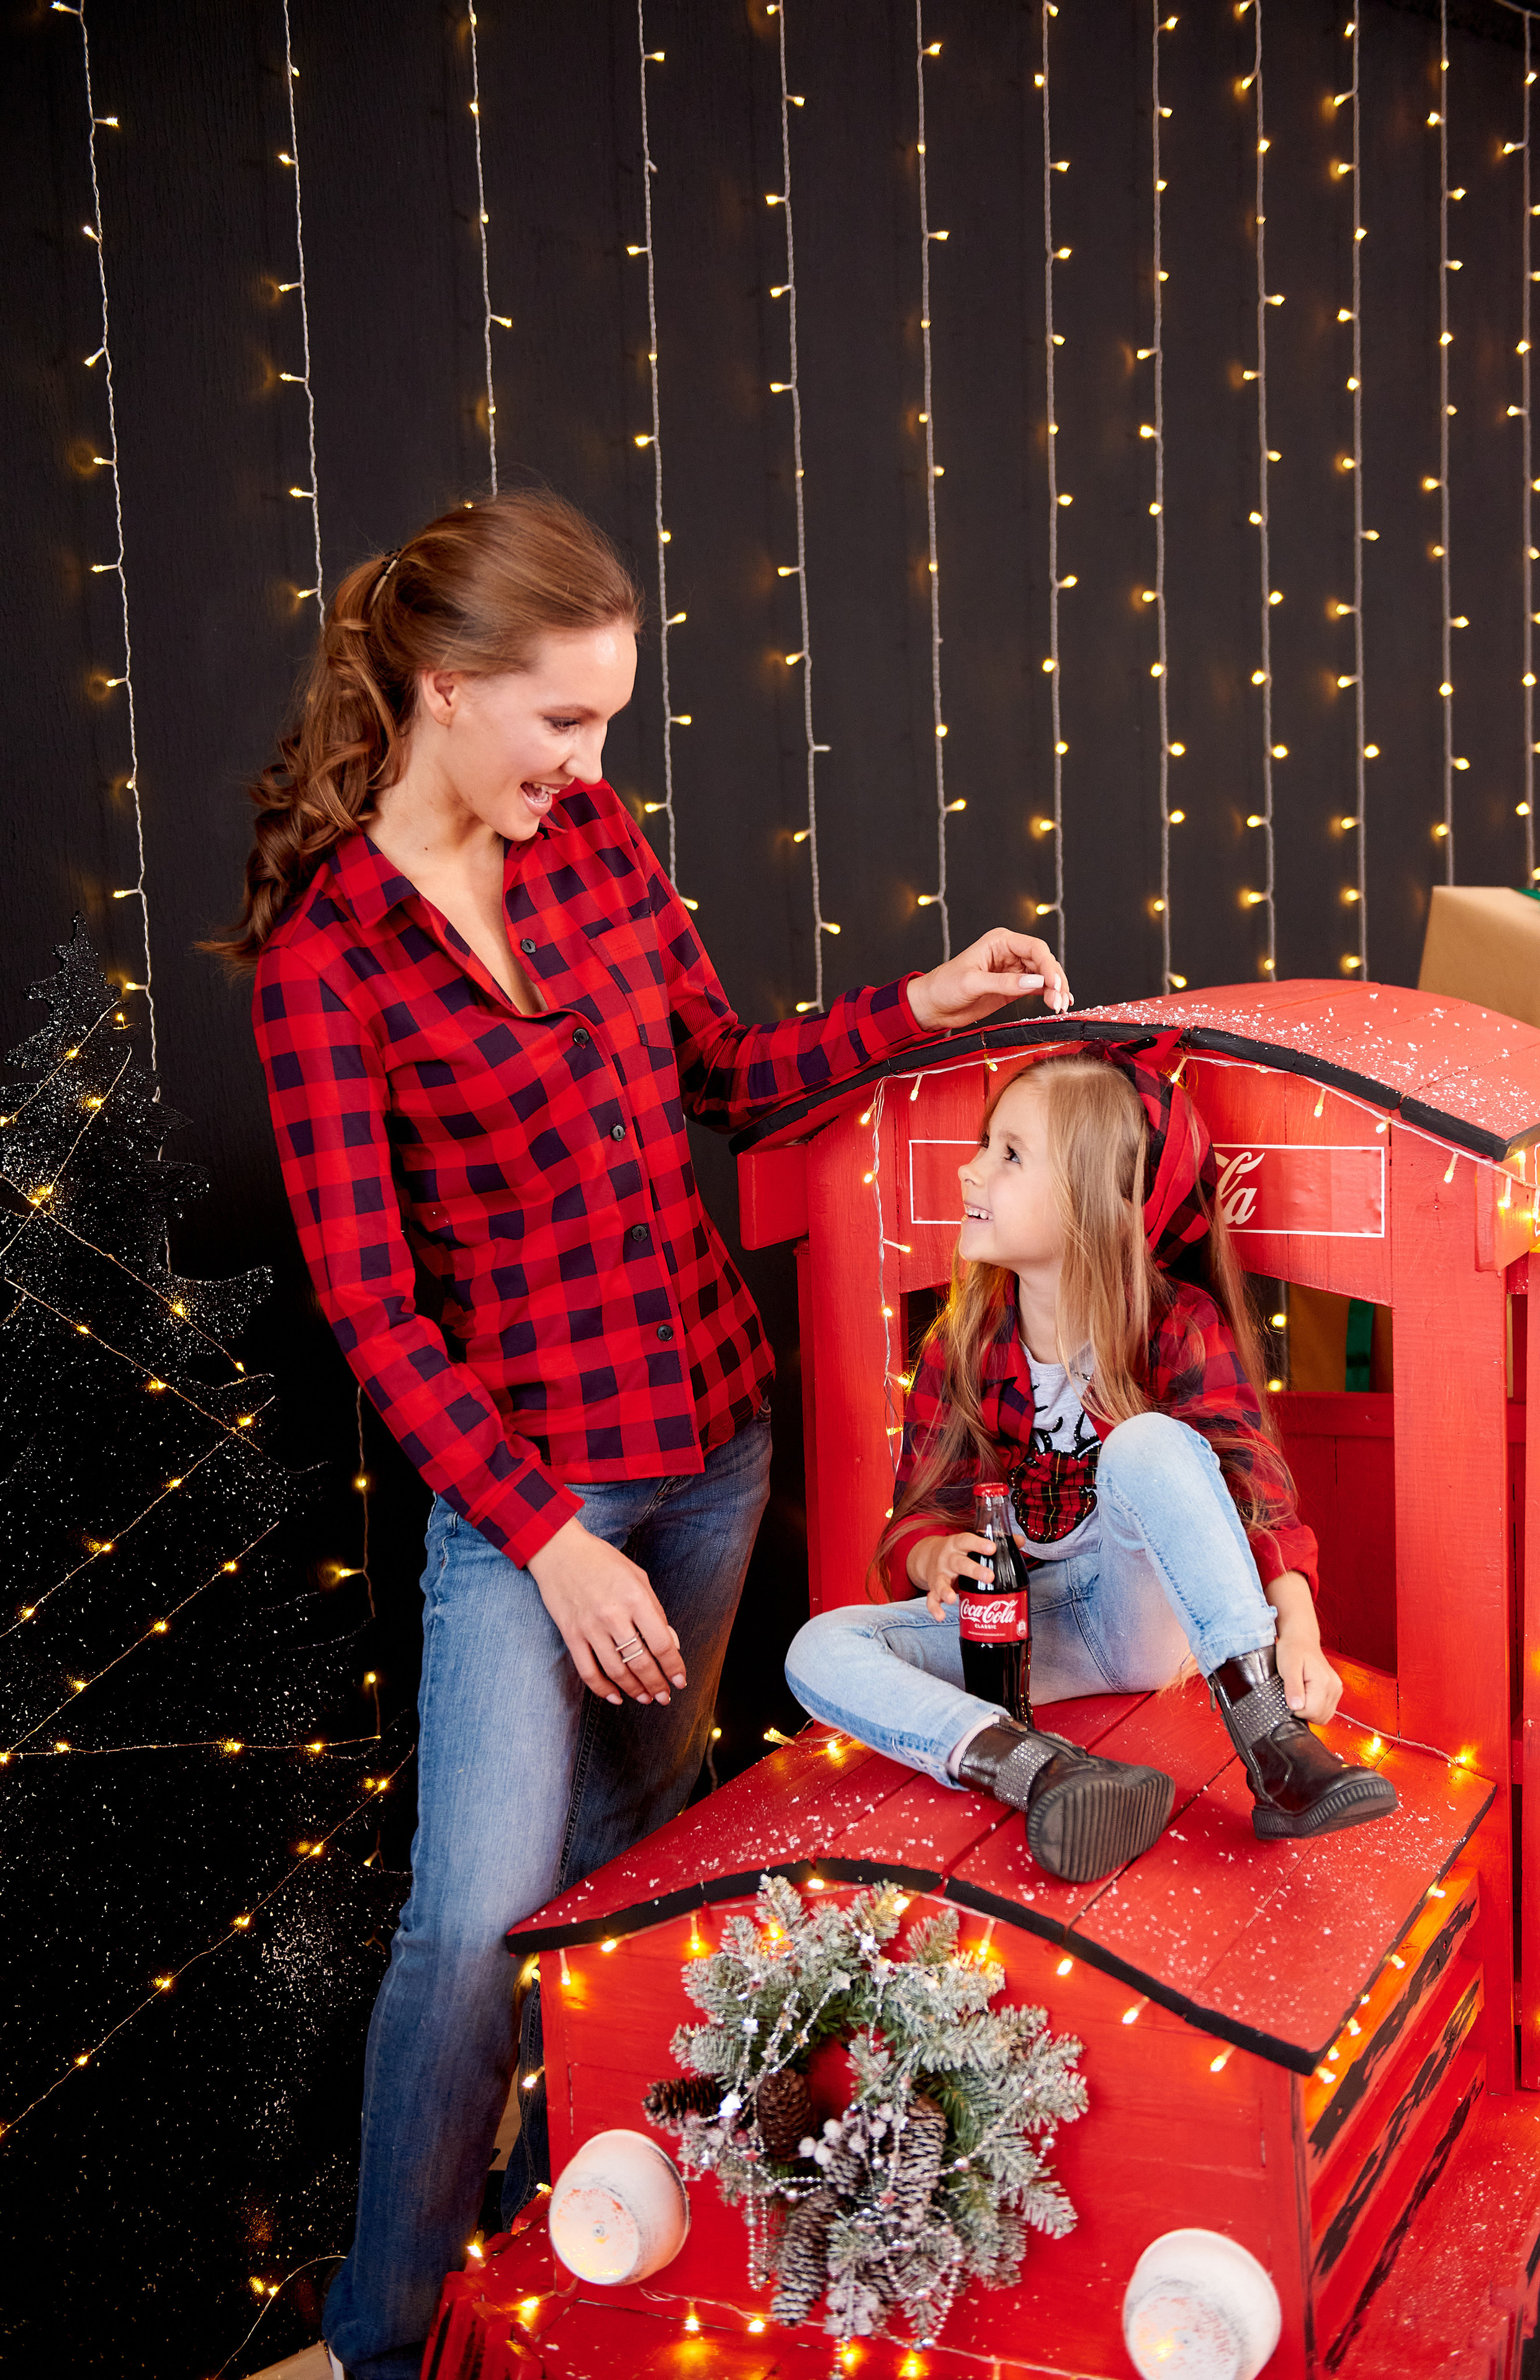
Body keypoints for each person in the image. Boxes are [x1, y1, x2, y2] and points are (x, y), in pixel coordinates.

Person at [211, 487, 1073, 2380]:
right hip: (537, 1497)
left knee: (635, 1869)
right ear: (444, 693)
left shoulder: (591, 842)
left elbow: (723, 1068)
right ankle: (382, 2338)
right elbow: (371, 1306)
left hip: (710, 1441)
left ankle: (584, 2264)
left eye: (607, 726)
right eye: (563, 724)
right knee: (472, 1922)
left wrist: (914, 1005)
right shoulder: (330, 956)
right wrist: (543, 1534)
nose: (592, 767)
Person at [786, 1045, 1397, 1885]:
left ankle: (1275, 1746)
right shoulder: (962, 1345)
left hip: (1141, 1612)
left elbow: (1251, 1491)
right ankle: (1043, 1770)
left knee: (1149, 1441)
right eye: (982, 1144)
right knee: (816, 1647)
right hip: (1029, 1636)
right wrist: (934, 1554)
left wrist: (1300, 1629)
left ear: (1105, 1204)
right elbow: (924, 1509)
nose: (970, 1172)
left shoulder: (1177, 1324)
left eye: (1008, 1155)